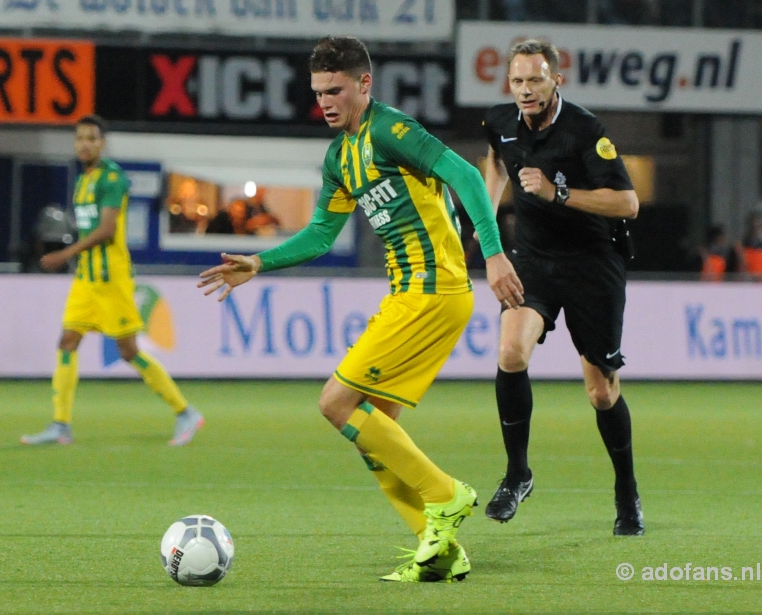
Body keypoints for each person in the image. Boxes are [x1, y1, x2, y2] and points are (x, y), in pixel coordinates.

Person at [198, 36, 524, 582]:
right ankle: (438, 550)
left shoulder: (390, 130)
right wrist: (260, 263)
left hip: (433, 289)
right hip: (409, 294)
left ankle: (447, 495)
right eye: (318, 92)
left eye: (335, 90)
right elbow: (322, 234)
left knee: (335, 403)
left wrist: (493, 255)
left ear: (364, 85)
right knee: (377, 434)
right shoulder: (338, 156)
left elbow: (468, 175)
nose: (325, 101)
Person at [481, 40, 644, 536]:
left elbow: (629, 203)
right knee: (511, 352)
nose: (525, 90)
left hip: (593, 265)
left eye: (535, 80)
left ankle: (626, 491)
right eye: (517, 81)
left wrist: (558, 192)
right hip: (533, 261)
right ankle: (517, 474)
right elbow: (493, 162)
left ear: (556, 80)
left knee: (600, 392)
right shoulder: (500, 122)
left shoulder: (586, 131)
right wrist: (486, 220)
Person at [21, 114, 203, 447]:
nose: (84, 144)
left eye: (91, 138)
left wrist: (65, 254)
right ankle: (60, 425)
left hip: (110, 278)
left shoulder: (112, 178)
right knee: (67, 341)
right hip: (86, 279)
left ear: (102, 143)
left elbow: (105, 231)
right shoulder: (83, 180)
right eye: (79, 138)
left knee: (129, 350)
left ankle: (184, 411)